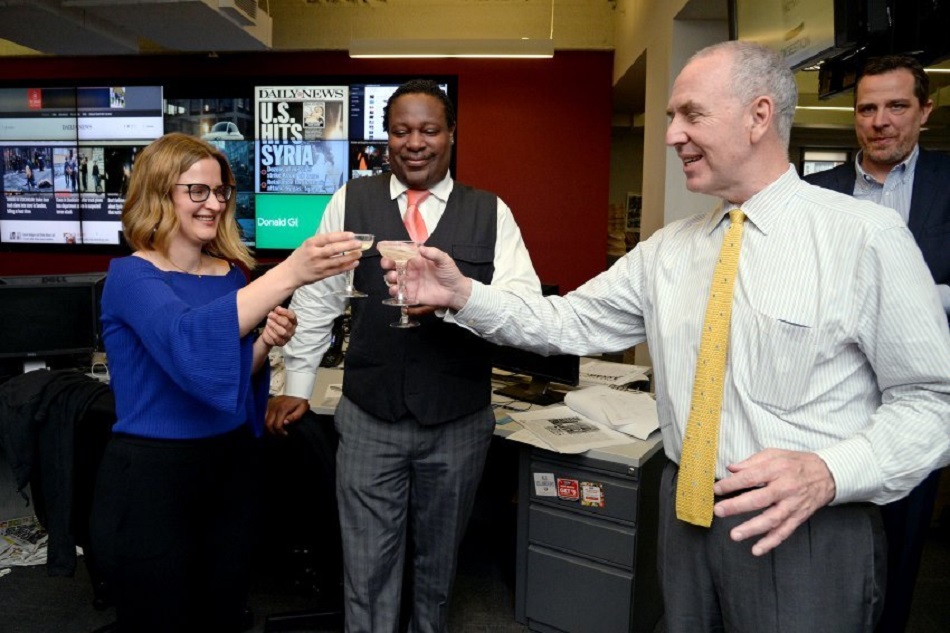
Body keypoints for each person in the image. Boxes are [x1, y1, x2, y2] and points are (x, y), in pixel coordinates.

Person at [384, 42, 950, 632]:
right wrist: (462, 294)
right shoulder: (667, 249)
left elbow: (933, 401)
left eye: (691, 114)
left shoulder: (864, 237)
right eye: (672, 117)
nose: (671, 134)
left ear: (759, 116)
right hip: (684, 518)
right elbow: (566, 321)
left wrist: (832, 470)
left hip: (807, 529)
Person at [266, 79, 542, 632]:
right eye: (401, 131)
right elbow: (318, 294)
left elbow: (523, 310)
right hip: (370, 416)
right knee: (366, 567)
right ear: (387, 138)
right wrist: (295, 384)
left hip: (457, 420)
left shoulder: (491, 213)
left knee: (437, 567)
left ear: (452, 136)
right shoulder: (352, 199)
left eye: (429, 130)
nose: (415, 143)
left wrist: (455, 302)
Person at [89, 132, 361, 633]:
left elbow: (224, 373)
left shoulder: (230, 275)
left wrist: (263, 345)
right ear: (158, 192)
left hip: (230, 465)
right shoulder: (131, 277)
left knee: (223, 605)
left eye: (220, 192)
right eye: (197, 191)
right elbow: (186, 343)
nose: (214, 203)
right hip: (154, 476)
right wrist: (291, 273)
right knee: (159, 616)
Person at [804, 54, 950, 633]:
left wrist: (917, 298)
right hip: (829, 397)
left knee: (904, 538)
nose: (880, 121)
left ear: (925, 112)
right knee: (824, 539)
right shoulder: (816, 193)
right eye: (867, 108)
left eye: (896, 106)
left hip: (915, 397)